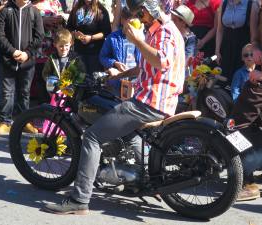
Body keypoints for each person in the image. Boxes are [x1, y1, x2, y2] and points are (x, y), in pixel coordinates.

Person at [43, 0, 185, 214]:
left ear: (146, 12)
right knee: (129, 133)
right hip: (158, 100)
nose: (136, 20)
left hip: (150, 102)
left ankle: (80, 199)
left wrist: (137, 41)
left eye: (138, 15)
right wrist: (121, 74)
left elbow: (160, 62)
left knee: (92, 136)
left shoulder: (162, 32)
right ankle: (139, 177)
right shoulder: (167, 28)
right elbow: (146, 66)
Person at [231, 0, 262, 201]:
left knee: (236, 122)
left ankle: (247, 182)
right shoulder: (260, 6)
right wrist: (255, 47)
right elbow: (255, 38)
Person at [0, 0, 44, 135]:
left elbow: (39, 36)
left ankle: (24, 121)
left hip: (27, 61)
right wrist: (12, 51)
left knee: (24, 92)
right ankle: (4, 122)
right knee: (7, 92)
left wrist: (27, 53)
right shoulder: (5, 10)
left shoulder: (34, 12)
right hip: (8, 60)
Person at [99, 7, 141, 96]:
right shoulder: (112, 37)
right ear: (122, 20)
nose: (132, 23)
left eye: (135, 19)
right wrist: (114, 63)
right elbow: (102, 57)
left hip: (133, 82)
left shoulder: (140, 38)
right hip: (116, 82)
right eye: (129, 19)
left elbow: (142, 61)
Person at [215, 0, 259, 84]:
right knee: (223, 79)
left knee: (239, 80)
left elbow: (254, 33)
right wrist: (217, 51)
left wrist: (251, 54)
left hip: (242, 47)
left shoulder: (252, 4)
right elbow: (220, 30)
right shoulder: (224, 3)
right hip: (226, 48)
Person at [66, 0, 111, 75]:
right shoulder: (76, 9)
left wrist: (91, 38)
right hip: (78, 51)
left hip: (94, 53)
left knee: (93, 80)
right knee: (79, 79)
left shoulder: (101, 11)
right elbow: (69, 27)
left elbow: (106, 32)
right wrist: (74, 33)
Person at [171, 4, 197, 77]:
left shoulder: (190, 38)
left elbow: (186, 60)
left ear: (183, 23)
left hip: (181, 75)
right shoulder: (171, 33)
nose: (171, 22)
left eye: (174, 20)